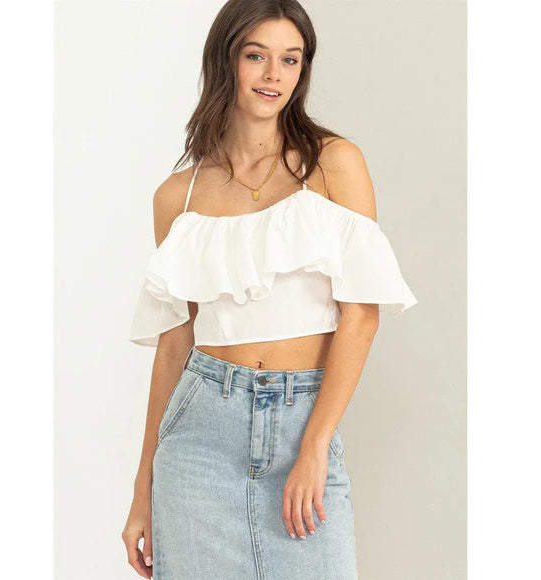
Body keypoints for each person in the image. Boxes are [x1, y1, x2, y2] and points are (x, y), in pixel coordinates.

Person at [122, 1, 418, 578]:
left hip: (302, 420)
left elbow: (361, 316)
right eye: (256, 56)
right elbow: (174, 346)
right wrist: (142, 493)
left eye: (290, 59)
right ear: (225, 60)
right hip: (199, 441)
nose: (273, 75)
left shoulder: (334, 164)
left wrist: (314, 444)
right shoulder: (178, 197)